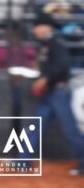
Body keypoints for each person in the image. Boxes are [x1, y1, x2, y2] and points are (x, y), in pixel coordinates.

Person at [31, 13, 84, 176]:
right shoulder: (46, 44)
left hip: (59, 92)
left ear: (47, 27)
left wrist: (45, 78)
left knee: (70, 130)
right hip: (51, 92)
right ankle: (22, 161)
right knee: (34, 127)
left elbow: (62, 65)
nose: (35, 29)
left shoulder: (55, 43)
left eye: (38, 25)